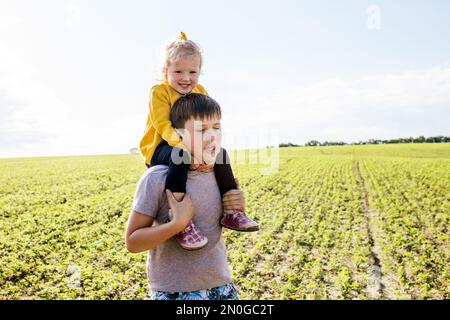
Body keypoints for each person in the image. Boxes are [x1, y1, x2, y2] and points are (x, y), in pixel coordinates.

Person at [139, 32, 258, 250]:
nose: (186, 78)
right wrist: (188, 149)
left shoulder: (200, 90)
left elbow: (207, 119)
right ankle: (181, 221)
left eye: (193, 72)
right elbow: (163, 125)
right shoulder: (159, 92)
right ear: (165, 71)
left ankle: (233, 211)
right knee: (180, 157)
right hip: (161, 146)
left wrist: (208, 150)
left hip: (191, 143)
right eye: (178, 71)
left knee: (221, 154)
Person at [126, 94, 244, 300]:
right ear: (177, 135)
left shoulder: (218, 173)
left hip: (222, 286)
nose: (212, 136)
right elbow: (133, 242)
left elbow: (211, 228)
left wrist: (234, 207)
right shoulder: (157, 177)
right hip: (175, 292)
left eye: (216, 127)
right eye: (201, 129)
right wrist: (177, 224)